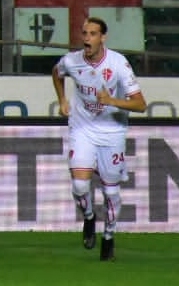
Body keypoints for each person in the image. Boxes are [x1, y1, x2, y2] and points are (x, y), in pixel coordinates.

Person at [51, 18, 147, 262]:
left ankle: (109, 237)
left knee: (110, 192)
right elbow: (56, 72)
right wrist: (62, 99)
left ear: (103, 37)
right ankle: (89, 217)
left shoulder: (118, 64)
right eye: (84, 33)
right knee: (80, 186)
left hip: (112, 132)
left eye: (93, 34)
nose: (87, 39)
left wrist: (113, 101)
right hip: (82, 128)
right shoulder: (72, 61)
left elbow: (140, 104)